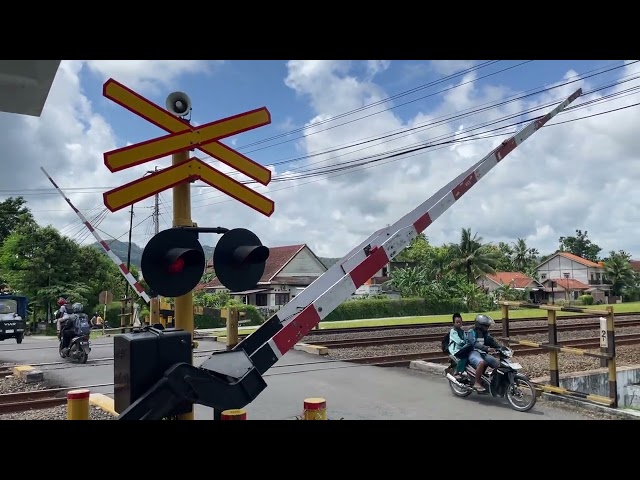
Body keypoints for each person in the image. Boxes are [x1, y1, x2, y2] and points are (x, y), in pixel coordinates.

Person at [466, 314, 503, 393]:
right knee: (481, 362)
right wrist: (487, 348)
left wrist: (502, 348)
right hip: (472, 352)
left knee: (497, 364)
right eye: (486, 326)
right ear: (480, 325)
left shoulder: (485, 333)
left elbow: (492, 341)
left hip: (482, 353)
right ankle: (477, 383)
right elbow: (474, 343)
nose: (487, 328)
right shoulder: (471, 332)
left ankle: (493, 382)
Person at [447, 313, 473, 380]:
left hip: (461, 349)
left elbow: (466, 339)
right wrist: (466, 343)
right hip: (455, 350)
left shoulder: (462, 331)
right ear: (453, 323)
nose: (459, 324)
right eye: (457, 322)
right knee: (464, 356)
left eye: (460, 322)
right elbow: (459, 342)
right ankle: (457, 373)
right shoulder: (453, 331)